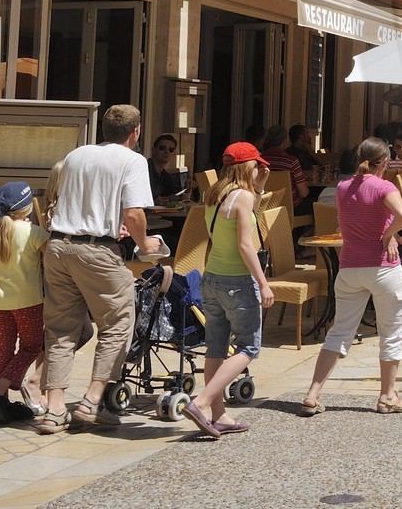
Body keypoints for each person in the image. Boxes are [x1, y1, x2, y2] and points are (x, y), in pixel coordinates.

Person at [36, 104, 162, 434]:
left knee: (61, 329)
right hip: (97, 252)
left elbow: (79, 201)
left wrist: (108, 224)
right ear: (135, 132)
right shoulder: (133, 160)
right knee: (119, 322)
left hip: (60, 246)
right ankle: (91, 401)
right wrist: (144, 242)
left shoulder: (77, 155)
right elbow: (134, 214)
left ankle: (54, 410)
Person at [301, 138, 402, 416]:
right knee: (391, 332)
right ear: (385, 162)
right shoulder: (384, 186)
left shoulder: (341, 187)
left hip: (350, 267)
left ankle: (313, 393)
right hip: (382, 267)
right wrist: (388, 235)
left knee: (339, 331)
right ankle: (387, 396)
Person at [182, 143, 274, 438]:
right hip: (237, 281)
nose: (261, 170)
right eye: (258, 166)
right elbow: (246, 244)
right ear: (249, 167)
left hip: (212, 279)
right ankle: (202, 402)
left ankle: (219, 415)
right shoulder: (243, 197)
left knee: (216, 348)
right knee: (248, 347)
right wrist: (263, 282)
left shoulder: (214, 194)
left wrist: (258, 189)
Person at [0, 182, 47, 424]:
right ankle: (0, 389)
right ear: (28, 208)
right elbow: (50, 257)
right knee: (31, 346)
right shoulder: (34, 233)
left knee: (4, 348)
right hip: (28, 301)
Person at [261, 125, 312, 218]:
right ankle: (305, 232)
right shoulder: (291, 161)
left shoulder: (259, 161)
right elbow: (304, 193)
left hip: (265, 207)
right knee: (315, 205)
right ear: (284, 141)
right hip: (291, 207)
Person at [146, 134, 187, 199]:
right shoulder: (143, 170)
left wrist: (188, 189)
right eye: (162, 148)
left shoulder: (166, 177)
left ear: (174, 154)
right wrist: (154, 202)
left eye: (171, 150)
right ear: (153, 150)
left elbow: (172, 198)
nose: (167, 151)